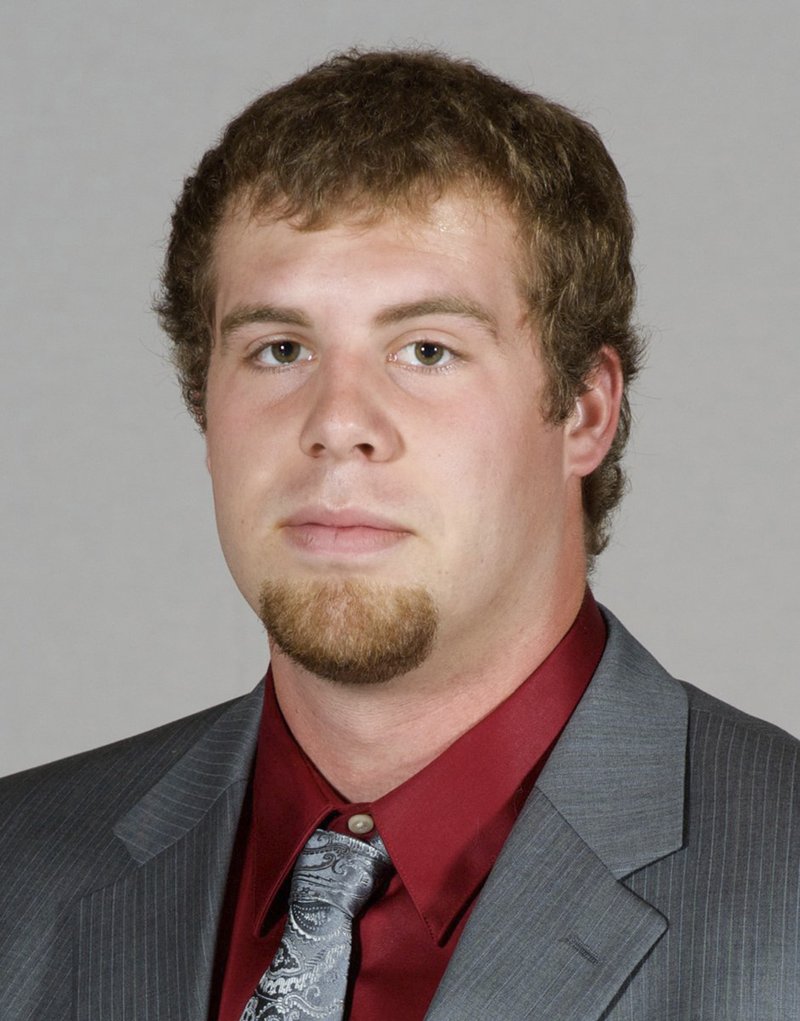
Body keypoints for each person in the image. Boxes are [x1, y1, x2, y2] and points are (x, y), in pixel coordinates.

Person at [1, 48, 798, 1021]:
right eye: (278, 349)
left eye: (426, 349)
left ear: (583, 413)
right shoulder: (18, 875)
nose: (336, 421)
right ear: (203, 403)